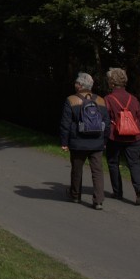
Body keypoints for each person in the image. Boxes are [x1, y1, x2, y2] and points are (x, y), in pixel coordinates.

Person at [59, 72, 109, 209]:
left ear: (80, 85)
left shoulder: (71, 100)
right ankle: (98, 200)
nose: (75, 84)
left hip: (78, 141)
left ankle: (75, 195)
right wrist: (104, 141)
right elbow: (106, 123)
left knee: (77, 169)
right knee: (97, 171)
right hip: (97, 141)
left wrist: (64, 142)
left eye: (76, 83)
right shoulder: (100, 100)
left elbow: (65, 124)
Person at [104, 67, 140, 205]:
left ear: (111, 82)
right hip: (134, 136)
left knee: (113, 163)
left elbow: (105, 118)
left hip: (115, 136)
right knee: (134, 163)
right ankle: (139, 189)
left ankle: (117, 192)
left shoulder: (109, 99)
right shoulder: (133, 99)